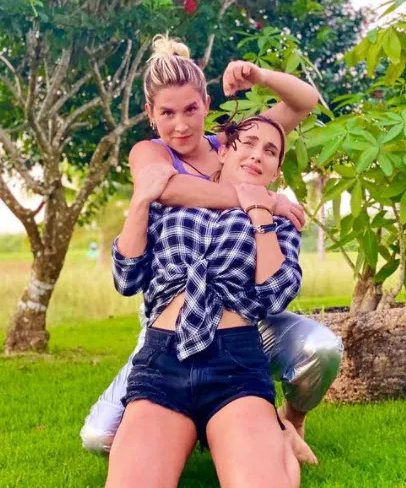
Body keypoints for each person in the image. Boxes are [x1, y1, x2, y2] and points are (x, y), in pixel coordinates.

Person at [81, 35, 343, 461]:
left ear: (206, 103)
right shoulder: (150, 153)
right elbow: (169, 189)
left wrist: (259, 76)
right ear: (150, 114)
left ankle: (288, 422)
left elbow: (304, 102)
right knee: (99, 437)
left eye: (190, 109)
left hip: (244, 312)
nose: (181, 125)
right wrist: (262, 199)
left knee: (321, 349)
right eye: (167, 113)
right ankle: (226, 423)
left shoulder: (234, 143)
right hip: (171, 323)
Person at [105, 115, 301, 488]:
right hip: (163, 360)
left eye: (270, 151)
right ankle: (272, 439)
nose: (256, 155)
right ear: (223, 152)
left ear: (276, 171)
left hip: (235, 364)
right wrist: (141, 200)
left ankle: (274, 440)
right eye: (247, 143)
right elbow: (126, 279)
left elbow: (275, 295)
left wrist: (259, 211)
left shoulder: (281, 220)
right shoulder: (172, 201)